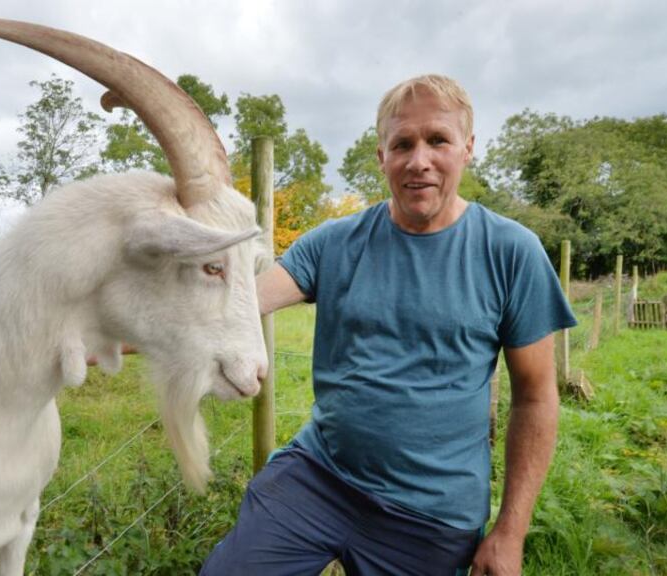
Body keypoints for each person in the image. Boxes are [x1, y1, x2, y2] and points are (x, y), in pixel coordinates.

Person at [200, 75, 577, 576]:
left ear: (468, 148)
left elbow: (536, 396)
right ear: (382, 157)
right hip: (319, 477)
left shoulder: (510, 251)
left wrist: (510, 532)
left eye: (437, 140)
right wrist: (98, 335)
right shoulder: (334, 242)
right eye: (402, 144)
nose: (418, 160)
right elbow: (234, 304)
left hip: (431, 516)